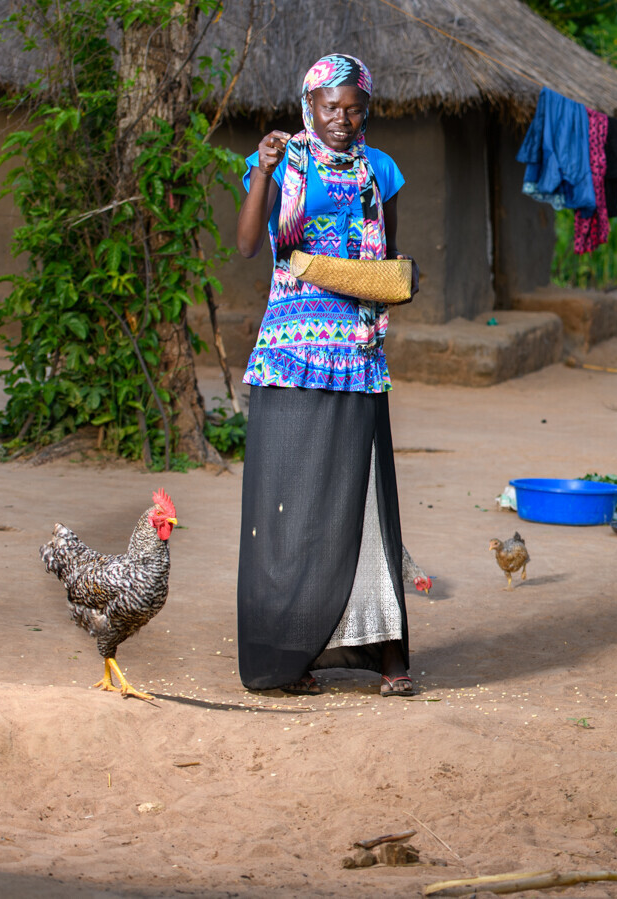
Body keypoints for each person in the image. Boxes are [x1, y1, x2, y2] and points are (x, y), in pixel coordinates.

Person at [234, 54, 418, 697]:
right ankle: (291, 648)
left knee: (361, 495)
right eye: (329, 107)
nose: (342, 119)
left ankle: (385, 651)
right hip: (289, 349)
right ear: (308, 104)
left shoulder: (381, 169)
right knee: (292, 501)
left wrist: (369, 292)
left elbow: (386, 263)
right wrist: (259, 170)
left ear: (366, 108)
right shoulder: (283, 161)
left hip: (358, 357)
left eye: (353, 107)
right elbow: (251, 244)